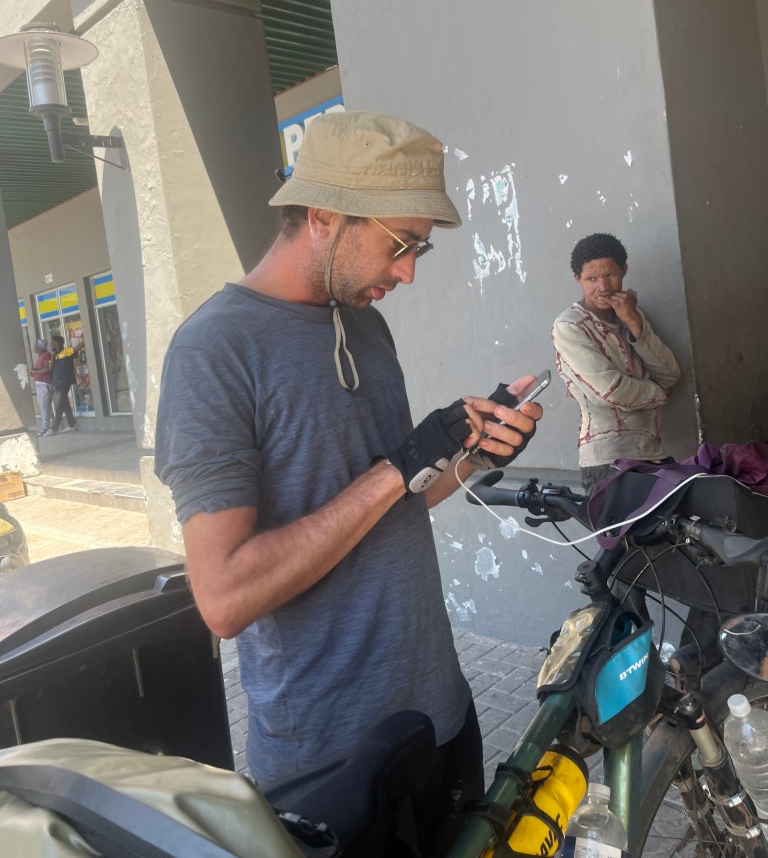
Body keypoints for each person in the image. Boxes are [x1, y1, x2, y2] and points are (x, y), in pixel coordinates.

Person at [154, 111, 542, 840]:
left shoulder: (365, 323)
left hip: (441, 714)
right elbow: (225, 598)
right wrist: (398, 465)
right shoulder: (214, 351)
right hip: (332, 759)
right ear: (325, 216)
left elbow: (399, 499)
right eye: (401, 245)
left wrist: (473, 451)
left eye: (419, 248)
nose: (409, 271)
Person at [551, 232, 680, 494]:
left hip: (654, 454)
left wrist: (633, 322)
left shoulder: (631, 314)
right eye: (591, 279)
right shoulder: (570, 326)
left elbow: (671, 375)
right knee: (628, 536)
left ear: (624, 270)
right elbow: (610, 391)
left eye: (610, 274)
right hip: (608, 462)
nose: (603, 287)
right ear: (577, 279)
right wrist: (658, 393)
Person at [49, 334, 78, 434]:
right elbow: (50, 368)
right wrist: (53, 355)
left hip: (65, 382)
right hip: (57, 382)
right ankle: (72, 424)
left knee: (59, 405)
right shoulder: (54, 355)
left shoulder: (67, 352)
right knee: (64, 404)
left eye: (53, 342)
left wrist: (84, 339)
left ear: (59, 343)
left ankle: (54, 428)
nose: (51, 344)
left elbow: (77, 348)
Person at [31, 338, 53, 436]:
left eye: (35, 346)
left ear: (39, 347)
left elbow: (47, 368)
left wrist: (35, 371)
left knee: (44, 406)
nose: (34, 347)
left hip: (44, 384)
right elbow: (40, 370)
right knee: (45, 406)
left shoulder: (47, 355)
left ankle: (45, 427)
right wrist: (33, 371)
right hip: (40, 384)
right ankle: (53, 425)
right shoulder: (40, 356)